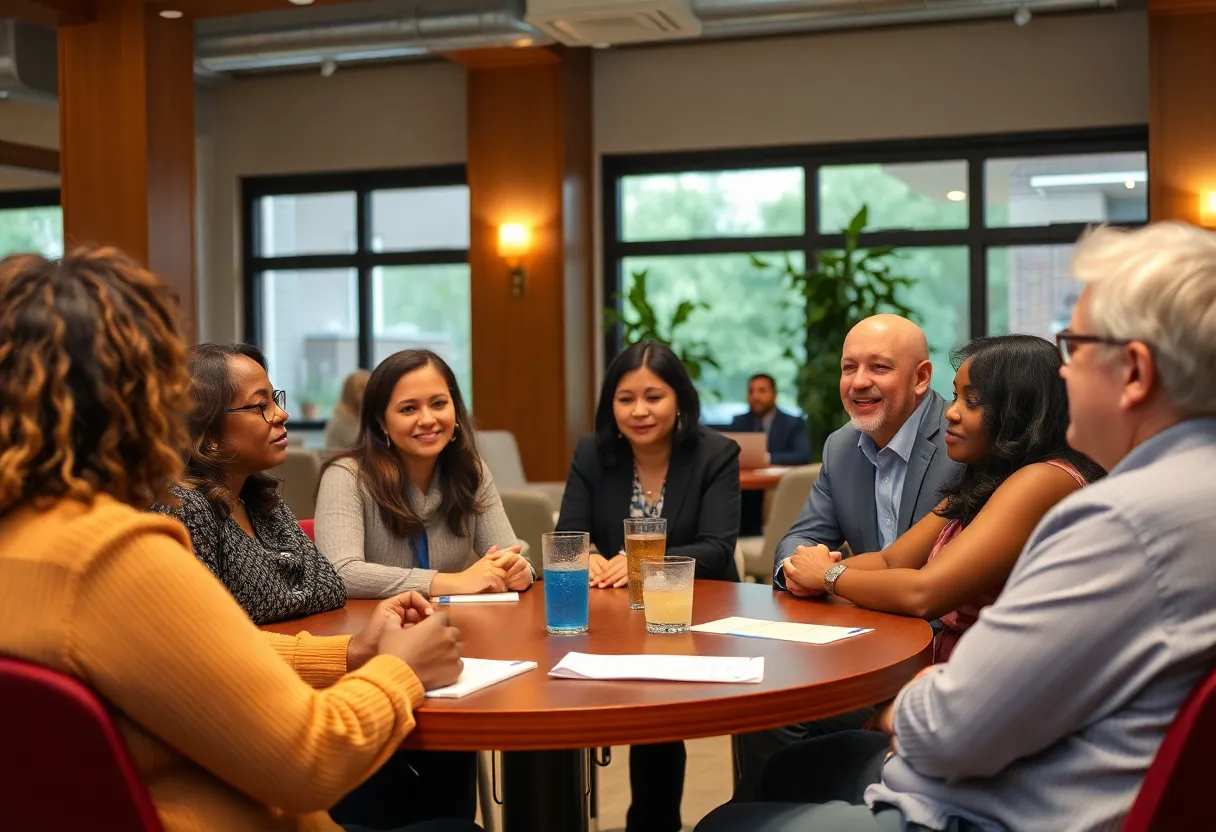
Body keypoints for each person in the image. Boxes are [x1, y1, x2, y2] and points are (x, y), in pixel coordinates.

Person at [697, 221, 1216, 832]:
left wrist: (899, 704)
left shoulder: (1117, 521)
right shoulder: (1188, 490)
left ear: (1133, 371)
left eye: (1074, 348)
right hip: (1026, 770)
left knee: (725, 824)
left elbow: (952, 725)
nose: (1063, 375)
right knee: (787, 774)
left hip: (997, 806)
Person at [0, 248, 477, 832]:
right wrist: (401, 672)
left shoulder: (27, 543)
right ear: (141, 398)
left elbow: (186, 653)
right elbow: (310, 762)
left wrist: (349, 654)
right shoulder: (120, 556)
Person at [734, 315, 963, 793]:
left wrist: (831, 574)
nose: (859, 383)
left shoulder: (958, 441)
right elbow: (798, 538)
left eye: (879, 367)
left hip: (938, 651)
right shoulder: (842, 446)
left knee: (780, 708)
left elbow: (936, 578)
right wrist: (796, 569)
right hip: (863, 640)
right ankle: (771, 816)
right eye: (848, 368)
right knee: (760, 699)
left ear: (921, 377)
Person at [783, 334, 1104, 661]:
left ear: (1019, 411)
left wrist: (829, 576)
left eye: (973, 401)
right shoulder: (985, 479)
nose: (951, 412)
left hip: (1009, 680)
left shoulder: (1043, 478)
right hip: (957, 666)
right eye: (955, 396)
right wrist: (807, 573)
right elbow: (890, 561)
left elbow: (926, 593)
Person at [557, 340, 742, 832]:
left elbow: (718, 549)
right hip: (609, 613)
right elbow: (570, 536)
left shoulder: (715, 454)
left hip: (696, 614)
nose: (639, 411)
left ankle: (653, 822)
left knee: (657, 710)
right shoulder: (592, 454)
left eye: (654, 396)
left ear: (679, 399)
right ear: (609, 405)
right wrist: (593, 558)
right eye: (625, 398)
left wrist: (639, 565)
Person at [154, 343, 347, 625]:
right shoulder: (182, 507)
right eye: (260, 406)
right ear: (207, 432)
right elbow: (212, 627)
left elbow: (331, 588)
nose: (282, 414)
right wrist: (291, 594)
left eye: (275, 400)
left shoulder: (257, 495)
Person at [315, 348, 531, 600]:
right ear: (381, 422)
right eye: (408, 409)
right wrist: (453, 582)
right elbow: (341, 573)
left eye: (439, 404)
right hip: (373, 632)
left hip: (450, 627)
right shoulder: (346, 476)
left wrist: (520, 569)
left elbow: (508, 551)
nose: (428, 419)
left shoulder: (471, 470)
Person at [728, 373, 811, 465]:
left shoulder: (793, 423)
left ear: (774, 394)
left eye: (762, 391)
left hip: (780, 477)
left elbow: (802, 455)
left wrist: (766, 458)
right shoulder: (739, 422)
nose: (755, 397)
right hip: (747, 477)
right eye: (751, 391)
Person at [327, 369, 370, 452]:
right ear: (351, 393)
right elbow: (363, 448)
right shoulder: (343, 420)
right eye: (363, 390)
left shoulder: (359, 417)